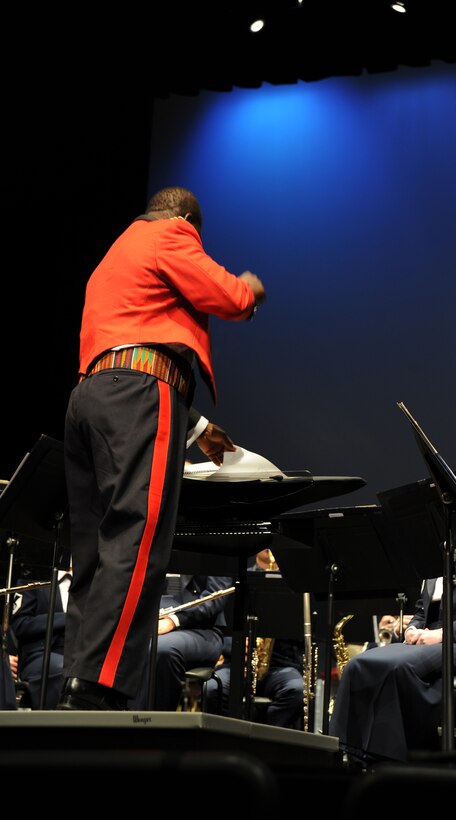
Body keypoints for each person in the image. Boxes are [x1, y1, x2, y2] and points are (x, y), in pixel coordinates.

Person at [59, 186, 266, 711]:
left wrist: (196, 427)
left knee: (94, 552)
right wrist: (249, 289)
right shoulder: (171, 232)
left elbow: (130, 347)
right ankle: (103, 687)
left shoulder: (114, 256)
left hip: (90, 397)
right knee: (135, 539)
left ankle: (79, 682)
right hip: (138, 394)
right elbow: (227, 296)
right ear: (187, 219)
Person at [329, 562, 456, 768]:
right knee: (359, 664)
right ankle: (347, 753)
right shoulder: (435, 558)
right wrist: (412, 630)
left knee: (398, 667)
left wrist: (441, 635)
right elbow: (422, 611)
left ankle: (390, 761)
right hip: (430, 643)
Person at [207, 549, 304, 728]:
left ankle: (266, 737)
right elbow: (221, 626)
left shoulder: (295, 586)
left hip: (279, 667)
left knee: (297, 691)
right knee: (212, 688)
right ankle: (229, 736)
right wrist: (236, 645)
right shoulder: (239, 580)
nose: (269, 548)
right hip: (237, 664)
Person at [127, 572, 233, 710]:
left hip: (201, 628)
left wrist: (174, 620)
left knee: (160, 649)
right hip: (151, 619)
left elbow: (216, 596)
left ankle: (150, 720)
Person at [10, 569, 72, 709]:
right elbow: (20, 624)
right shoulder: (32, 577)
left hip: (78, 654)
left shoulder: (88, 581)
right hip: (40, 654)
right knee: (63, 668)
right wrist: (67, 618)